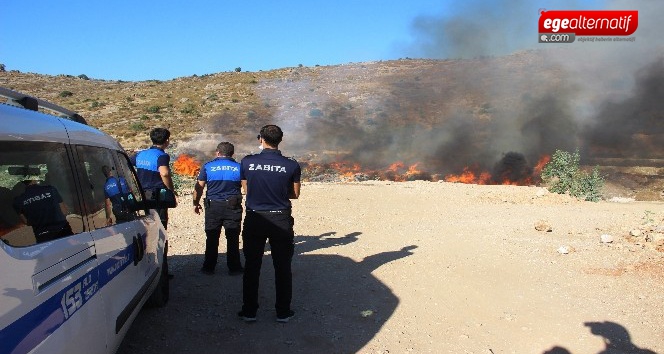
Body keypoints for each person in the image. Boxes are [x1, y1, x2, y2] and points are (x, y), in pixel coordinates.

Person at [238, 124, 301, 323]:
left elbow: (246, 189)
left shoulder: (247, 162)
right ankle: (283, 312)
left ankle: (249, 311)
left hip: (255, 217)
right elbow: (295, 194)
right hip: (280, 217)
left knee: (252, 265)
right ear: (280, 140)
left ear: (261, 139)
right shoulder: (291, 165)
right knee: (282, 266)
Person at [193, 142, 244, 275]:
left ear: (217, 153)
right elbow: (247, 188)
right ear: (232, 154)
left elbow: (199, 187)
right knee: (233, 237)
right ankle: (234, 268)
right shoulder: (239, 167)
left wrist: (195, 202)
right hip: (233, 206)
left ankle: (208, 268)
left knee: (212, 237)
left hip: (213, 206)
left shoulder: (208, 166)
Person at [131, 127, 177, 229]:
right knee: (160, 224)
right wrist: (170, 190)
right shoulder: (162, 156)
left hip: (142, 195)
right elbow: (164, 173)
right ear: (167, 140)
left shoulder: (140, 154)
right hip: (157, 195)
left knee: (146, 223)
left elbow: (127, 165)